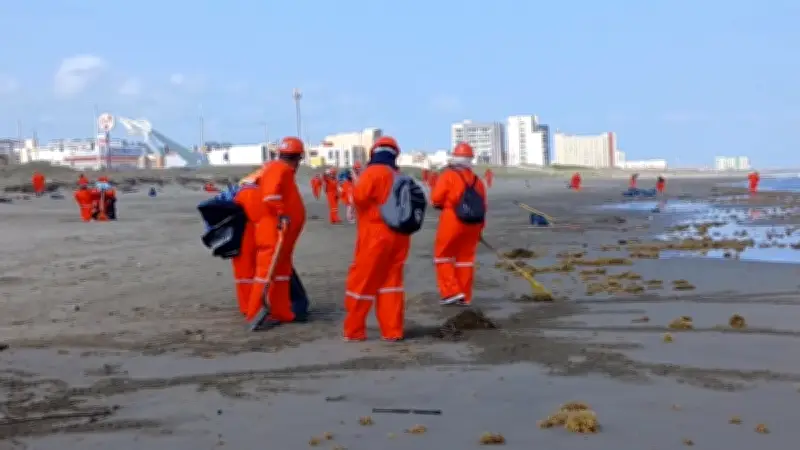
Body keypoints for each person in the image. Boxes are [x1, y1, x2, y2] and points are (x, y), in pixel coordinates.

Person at [343, 136, 411, 342]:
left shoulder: (372, 173)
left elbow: (359, 199)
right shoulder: (400, 176)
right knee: (391, 283)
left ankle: (354, 330)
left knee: (362, 282)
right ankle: (393, 330)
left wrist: (352, 185)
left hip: (374, 236)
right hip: (399, 236)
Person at [245, 136, 307, 325]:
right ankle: (254, 312)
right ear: (298, 158)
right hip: (274, 233)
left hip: (281, 234)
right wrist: (282, 214)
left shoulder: (280, 169)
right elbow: (270, 196)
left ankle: (281, 312)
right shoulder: (278, 169)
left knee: (280, 275)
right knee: (265, 274)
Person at [431, 142, 487, 306]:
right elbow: (484, 206)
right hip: (474, 223)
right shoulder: (477, 181)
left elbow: (436, 199)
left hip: (453, 219)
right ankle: (465, 295)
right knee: (466, 259)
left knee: (443, 256)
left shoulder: (448, 176)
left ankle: (451, 292)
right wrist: (480, 229)